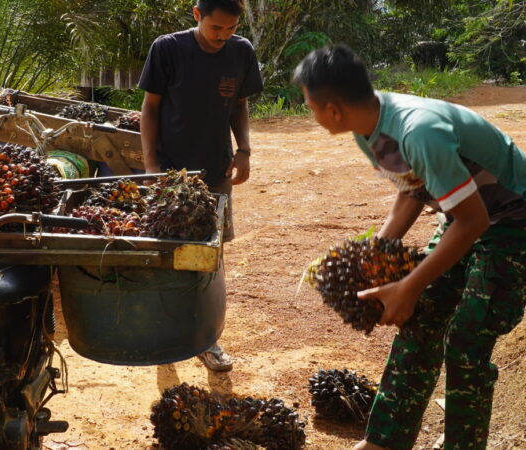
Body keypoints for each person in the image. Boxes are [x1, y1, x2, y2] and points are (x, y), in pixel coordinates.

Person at [293, 44, 526, 450]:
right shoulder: (369, 129)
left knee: (467, 340)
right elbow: (412, 190)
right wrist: (380, 251)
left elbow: (474, 222)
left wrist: (410, 285)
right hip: (465, 216)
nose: (310, 115)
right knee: (419, 321)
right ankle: (385, 440)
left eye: (310, 106)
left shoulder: (419, 131)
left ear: (332, 109)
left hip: (514, 222)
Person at [138, 0, 264, 372]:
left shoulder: (241, 51)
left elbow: (239, 104)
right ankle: (164, 335)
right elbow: (150, 108)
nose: (223, 36)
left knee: (209, 255)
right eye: (216, 28)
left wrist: (244, 151)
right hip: (171, 173)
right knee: (167, 251)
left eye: (230, 29)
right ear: (197, 15)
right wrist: (151, 166)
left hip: (216, 170)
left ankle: (207, 340)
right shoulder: (168, 48)